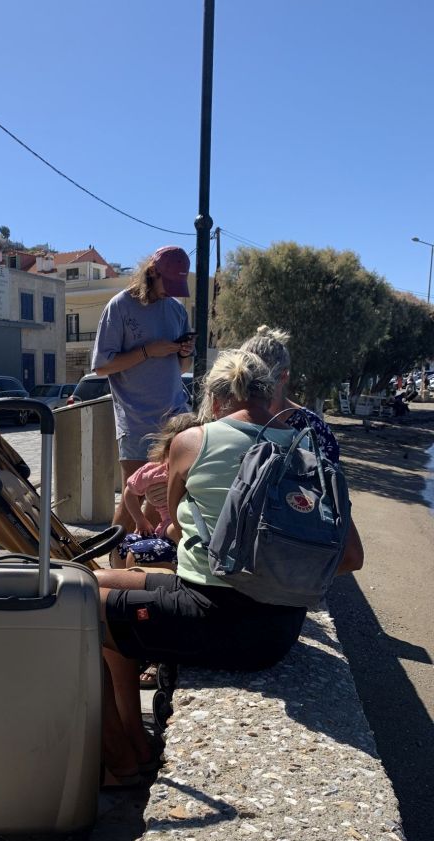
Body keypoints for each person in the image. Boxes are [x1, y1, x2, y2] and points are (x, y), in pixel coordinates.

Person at [94, 349, 365, 786]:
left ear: (214, 399)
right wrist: (275, 572)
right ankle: (134, 741)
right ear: (270, 393)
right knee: (90, 583)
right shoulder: (308, 449)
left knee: (75, 607)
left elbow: (175, 529)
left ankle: (118, 759)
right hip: (278, 628)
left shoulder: (191, 442)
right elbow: (351, 557)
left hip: (216, 617)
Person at [91, 246, 196, 563]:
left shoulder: (176, 311)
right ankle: (109, 567)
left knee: (164, 499)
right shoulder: (119, 307)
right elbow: (101, 366)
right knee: (132, 499)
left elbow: (182, 368)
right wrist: (148, 351)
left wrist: (184, 353)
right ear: (152, 273)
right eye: (168, 285)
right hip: (136, 421)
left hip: (174, 421)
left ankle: (140, 562)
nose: (170, 293)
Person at [240, 325, 340, 462]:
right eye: (243, 382)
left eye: (263, 385)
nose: (251, 394)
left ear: (284, 376)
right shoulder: (228, 418)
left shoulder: (314, 431)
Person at [116, 412, 198, 570]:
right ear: (168, 449)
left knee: (176, 527)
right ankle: (121, 575)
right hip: (168, 525)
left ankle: (194, 560)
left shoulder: (198, 470)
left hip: (190, 525)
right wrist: (140, 520)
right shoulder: (155, 471)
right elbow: (130, 492)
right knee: (122, 543)